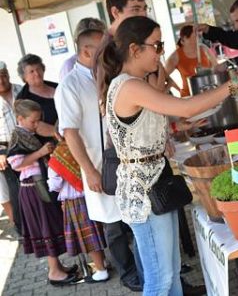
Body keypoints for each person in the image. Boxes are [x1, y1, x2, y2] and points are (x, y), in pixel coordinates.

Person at [97, 16, 238, 295]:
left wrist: (180, 125)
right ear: (134, 49)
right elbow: (185, 107)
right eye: (157, 45)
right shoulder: (129, 85)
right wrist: (237, 80)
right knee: (160, 280)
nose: (161, 52)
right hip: (144, 194)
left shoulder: (134, 83)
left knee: (170, 276)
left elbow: (164, 117)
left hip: (154, 185)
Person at [56, 17, 142, 292]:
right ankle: (128, 273)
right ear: (86, 51)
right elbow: (69, 133)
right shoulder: (69, 86)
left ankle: (148, 267)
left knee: (137, 218)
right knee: (113, 225)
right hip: (97, 164)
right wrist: (89, 171)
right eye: (103, 46)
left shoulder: (111, 74)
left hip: (127, 160)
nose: (110, 50)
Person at [7, 100, 79, 286]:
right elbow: (15, 164)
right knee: (45, 227)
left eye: (39, 120)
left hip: (39, 187)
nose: (37, 124)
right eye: (33, 121)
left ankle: (57, 267)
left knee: (50, 226)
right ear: (20, 119)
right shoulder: (18, 136)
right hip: (33, 189)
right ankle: (54, 271)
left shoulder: (28, 133)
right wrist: (40, 153)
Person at [47, 140, 109, 283]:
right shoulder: (82, 147)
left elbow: (54, 184)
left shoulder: (58, 156)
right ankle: (104, 263)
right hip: (91, 195)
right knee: (98, 231)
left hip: (74, 202)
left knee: (89, 237)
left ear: (57, 135)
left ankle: (101, 270)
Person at [15, 54, 59, 143]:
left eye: (38, 69)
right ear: (24, 77)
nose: (37, 74)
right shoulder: (23, 98)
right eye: (31, 71)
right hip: (48, 147)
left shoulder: (58, 87)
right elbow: (36, 126)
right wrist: (61, 133)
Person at [0, 61, 22, 232]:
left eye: (3, 75)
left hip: (26, 146)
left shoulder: (21, 90)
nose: (1, 80)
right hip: (3, 152)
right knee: (8, 193)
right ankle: (20, 228)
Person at [165, 25, 198, 97]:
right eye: (194, 38)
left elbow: (216, 67)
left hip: (208, 93)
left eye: (197, 37)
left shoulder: (203, 49)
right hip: (189, 97)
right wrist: (178, 89)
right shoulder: (176, 56)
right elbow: (163, 75)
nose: (196, 40)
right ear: (184, 39)